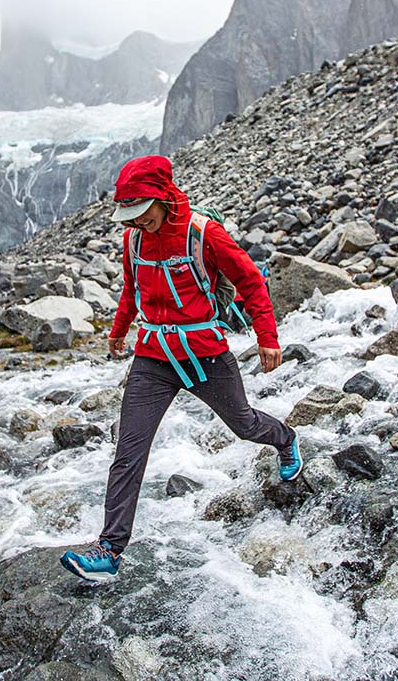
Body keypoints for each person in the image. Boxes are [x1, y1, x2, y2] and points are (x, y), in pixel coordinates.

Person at [60, 155, 301, 582]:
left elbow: (250, 282)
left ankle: (285, 440)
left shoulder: (204, 233)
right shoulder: (134, 240)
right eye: (128, 215)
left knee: (244, 425)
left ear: (164, 198)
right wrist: (119, 332)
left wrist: (268, 337)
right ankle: (110, 550)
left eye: (142, 212)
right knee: (128, 452)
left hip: (205, 354)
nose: (136, 223)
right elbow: (132, 288)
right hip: (153, 357)